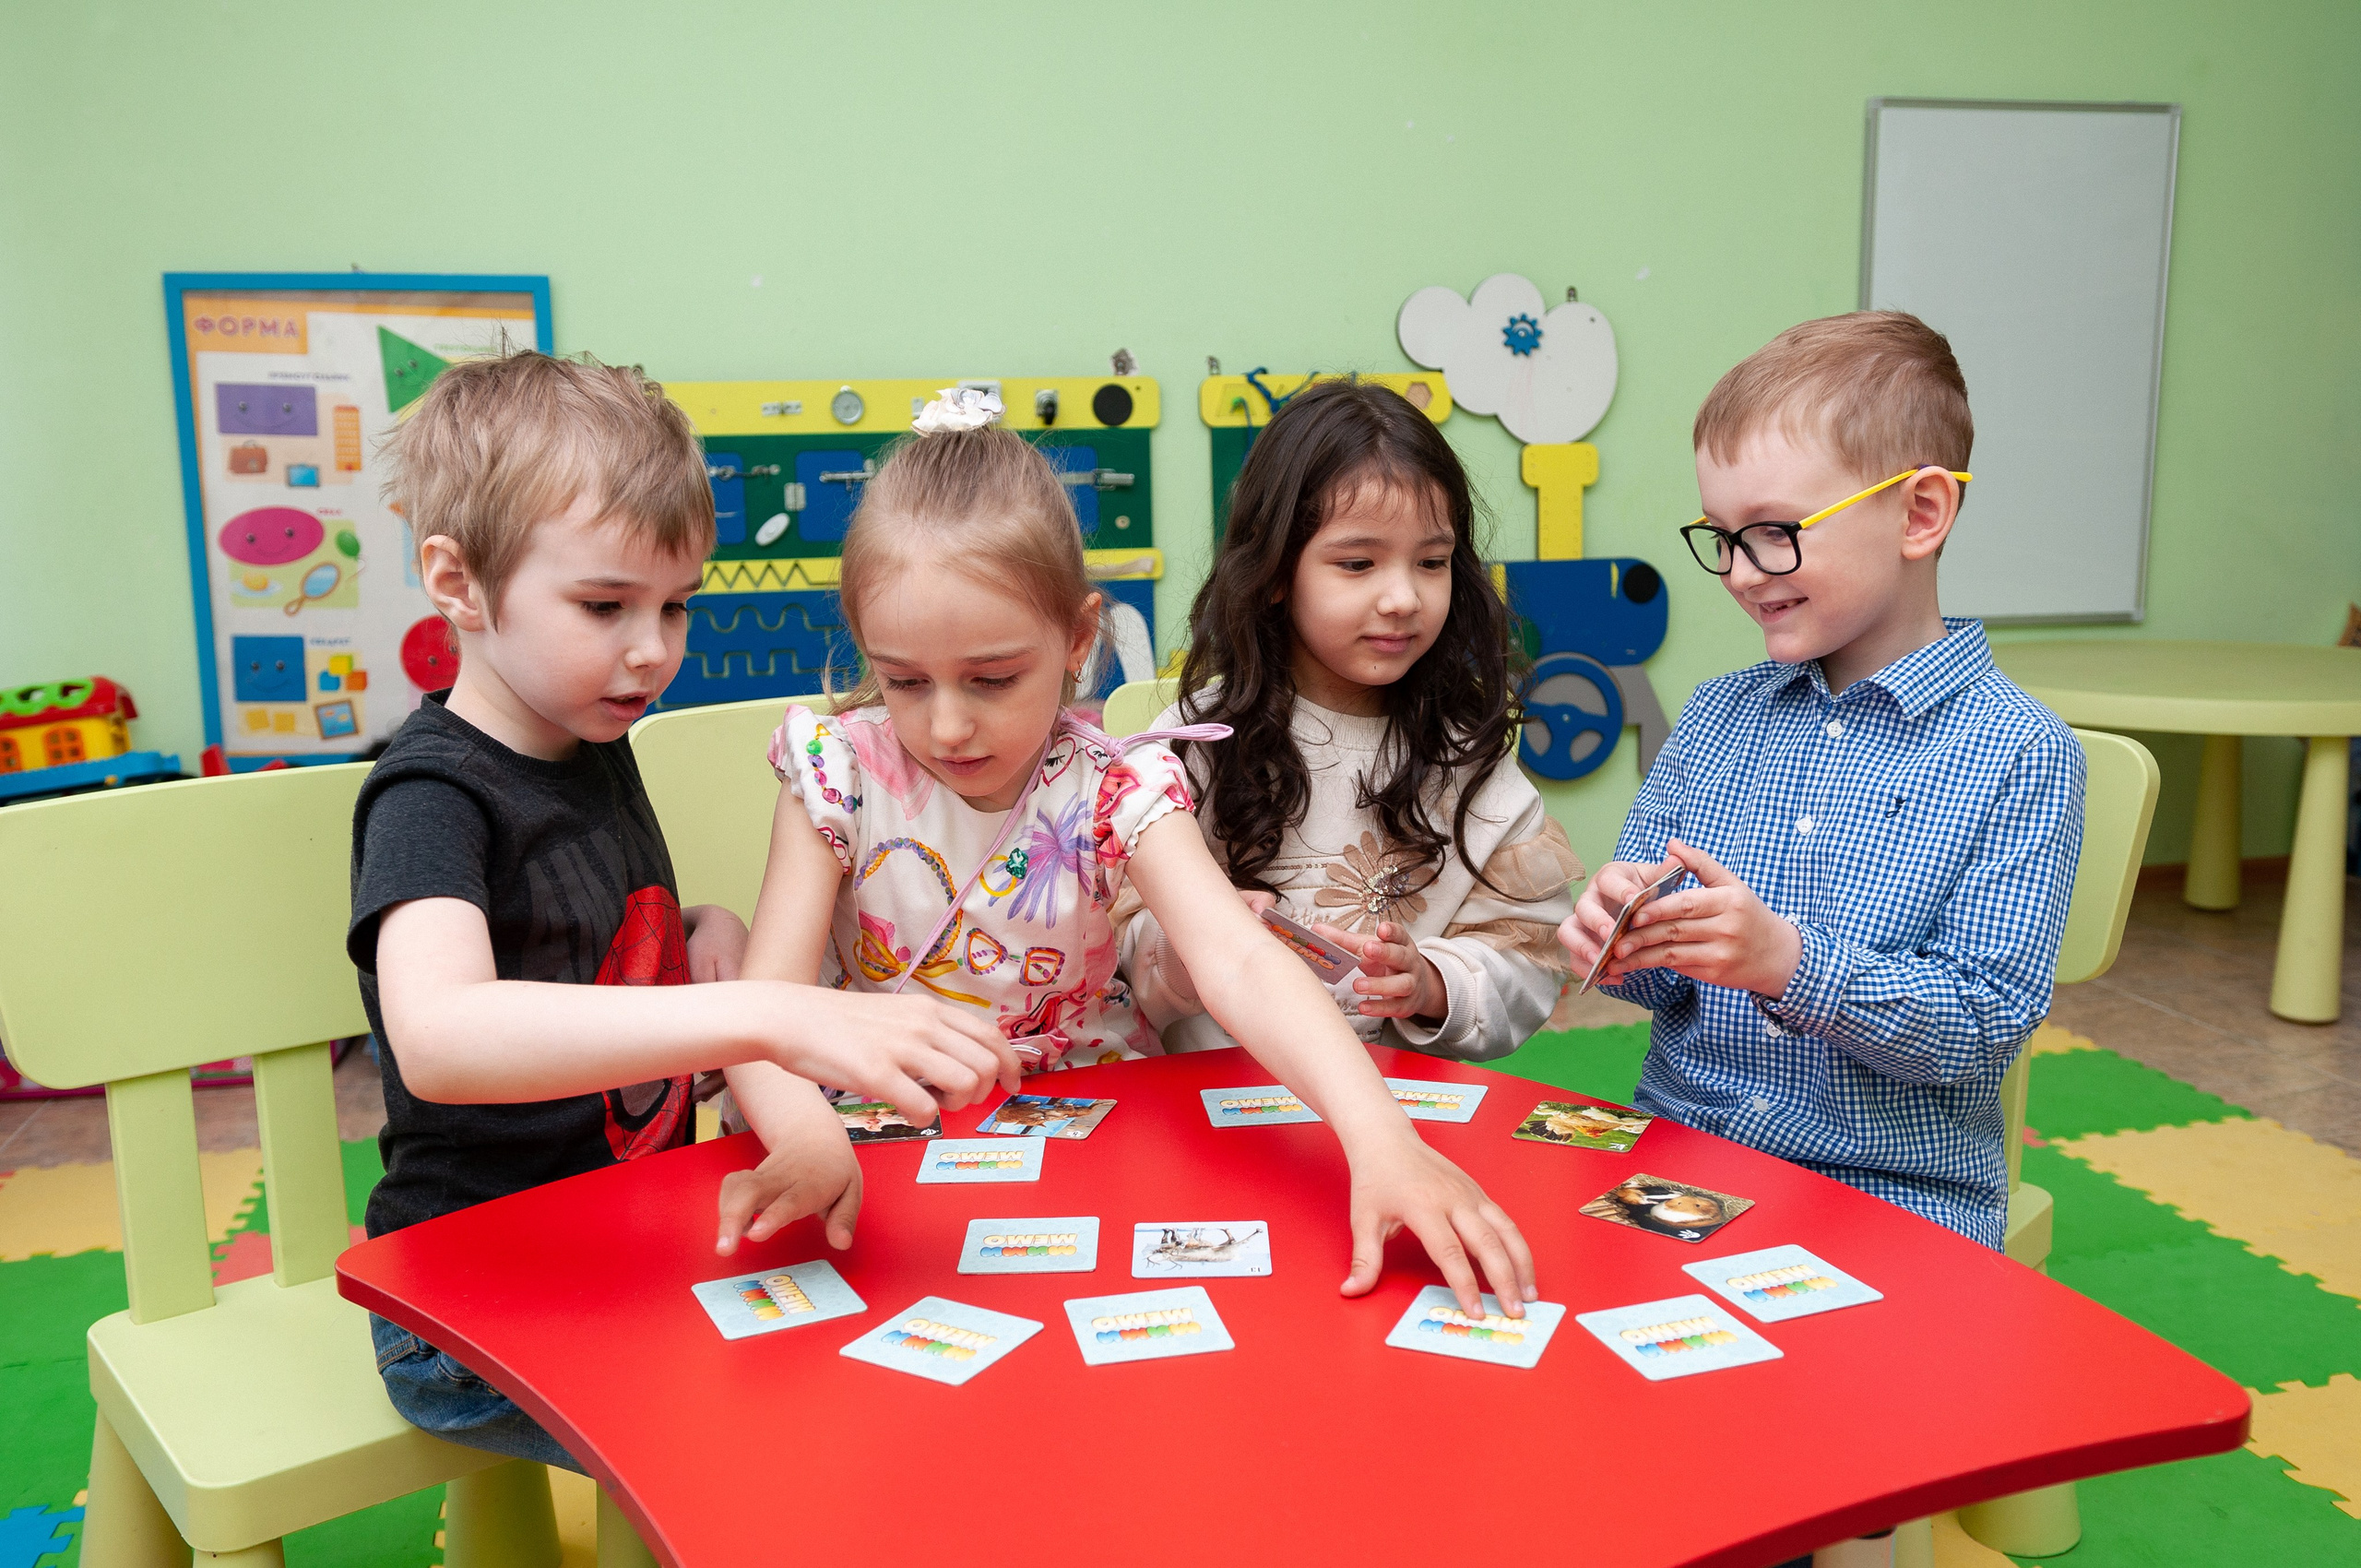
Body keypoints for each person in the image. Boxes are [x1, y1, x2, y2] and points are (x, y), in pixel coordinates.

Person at [719, 386, 1535, 1319]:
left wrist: (1380, 1138)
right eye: (904, 679)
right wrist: (803, 1135)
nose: (946, 723)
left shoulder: (1123, 783)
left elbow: (1237, 956)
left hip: (1097, 1141)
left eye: (992, 677)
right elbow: (766, 1003)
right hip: (877, 1140)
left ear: (1076, 636)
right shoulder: (834, 771)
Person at [350, 351, 1018, 1471]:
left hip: (627, 1233)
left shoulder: (584, 739)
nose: (652, 648)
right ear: (458, 583)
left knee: (907, 1354)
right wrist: (760, 1014)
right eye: (605, 604)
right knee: (804, 1437)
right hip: (470, 1302)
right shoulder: (433, 794)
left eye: (675, 605)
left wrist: (693, 928)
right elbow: (442, 1037)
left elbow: (577, 940)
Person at [1560, 311, 2086, 1262]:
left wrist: (1787, 961)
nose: (1736, 571)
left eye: (1770, 533)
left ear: (1919, 513)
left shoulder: (2019, 753)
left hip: (1891, 1192)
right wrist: (1617, 940)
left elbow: (1978, 1028)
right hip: (1683, 1157)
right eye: (1718, 536)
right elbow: (1655, 986)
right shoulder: (1718, 717)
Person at [1118, 378, 1583, 1063]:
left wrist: (1432, 984)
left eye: (1431, 562)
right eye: (1358, 563)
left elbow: (1531, 958)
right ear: (1276, 573)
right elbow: (1112, 948)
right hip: (1211, 1113)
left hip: (1403, 1113)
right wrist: (1182, 951)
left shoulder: (1471, 763)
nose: (1402, 597)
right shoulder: (1194, 745)